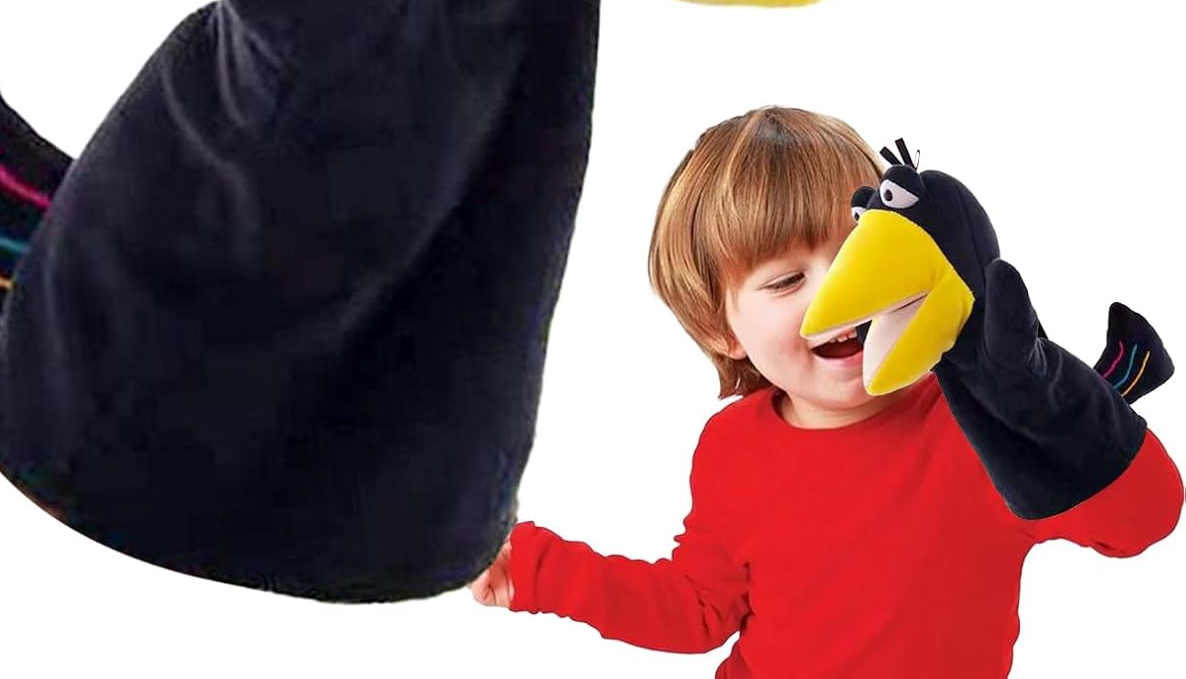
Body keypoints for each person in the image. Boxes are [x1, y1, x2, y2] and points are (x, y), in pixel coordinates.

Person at [468, 107, 1183, 677]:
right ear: (722, 331)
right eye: (786, 280)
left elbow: (1145, 519)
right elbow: (697, 609)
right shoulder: (732, 445)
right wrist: (535, 569)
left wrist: (1055, 407)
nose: (841, 294)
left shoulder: (975, 416)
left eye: (859, 251)